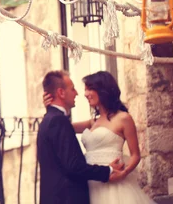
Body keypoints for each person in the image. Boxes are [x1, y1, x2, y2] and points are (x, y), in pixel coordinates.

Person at [43, 71, 155, 204]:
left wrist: (123, 173)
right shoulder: (92, 122)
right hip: (91, 184)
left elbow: (135, 155)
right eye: (85, 90)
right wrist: (51, 109)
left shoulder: (124, 118)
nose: (85, 94)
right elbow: (62, 127)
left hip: (114, 185)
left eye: (90, 89)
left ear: (103, 89)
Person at [38, 70, 125, 204]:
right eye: (72, 89)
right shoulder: (57, 121)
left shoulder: (50, 120)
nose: (78, 93)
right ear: (61, 93)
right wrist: (108, 170)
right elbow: (73, 166)